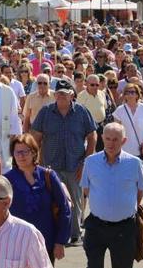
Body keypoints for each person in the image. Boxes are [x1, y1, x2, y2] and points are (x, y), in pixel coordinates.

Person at [31, 78, 97, 245]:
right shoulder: (45, 112)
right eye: (58, 93)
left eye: (64, 94)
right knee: (53, 200)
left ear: (71, 95)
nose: (60, 96)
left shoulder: (82, 112)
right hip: (50, 166)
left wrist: (86, 162)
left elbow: (92, 136)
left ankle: (75, 234)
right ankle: (55, 232)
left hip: (76, 165)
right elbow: (35, 138)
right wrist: (35, 162)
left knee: (75, 200)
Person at [80, 122, 143, 268]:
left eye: (115, 139)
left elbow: (140, 190)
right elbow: (86, 189)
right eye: (108, 138)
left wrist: (123, 206)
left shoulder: (134, 163)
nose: (111, 143)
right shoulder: (91, 162)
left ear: (124, 141)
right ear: (102, 138)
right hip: (96, 226)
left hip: (124, 228)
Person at [4, 134, 71, 264]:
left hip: (46, 243)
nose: (21, 156)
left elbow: (64, 209)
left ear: (34, 153)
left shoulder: (48, 176)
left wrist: (60, 241)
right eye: (17, 152)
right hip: (15, 244)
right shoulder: (7, 180)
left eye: (25, 151)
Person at [112, 84, 143, 164]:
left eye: (132, 92)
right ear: (124, 95)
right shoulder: (119, 110)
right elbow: (116, 131)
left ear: (137, 94)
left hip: (141, 149)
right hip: (125, 150)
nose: (130, 94)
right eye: (127, 92)